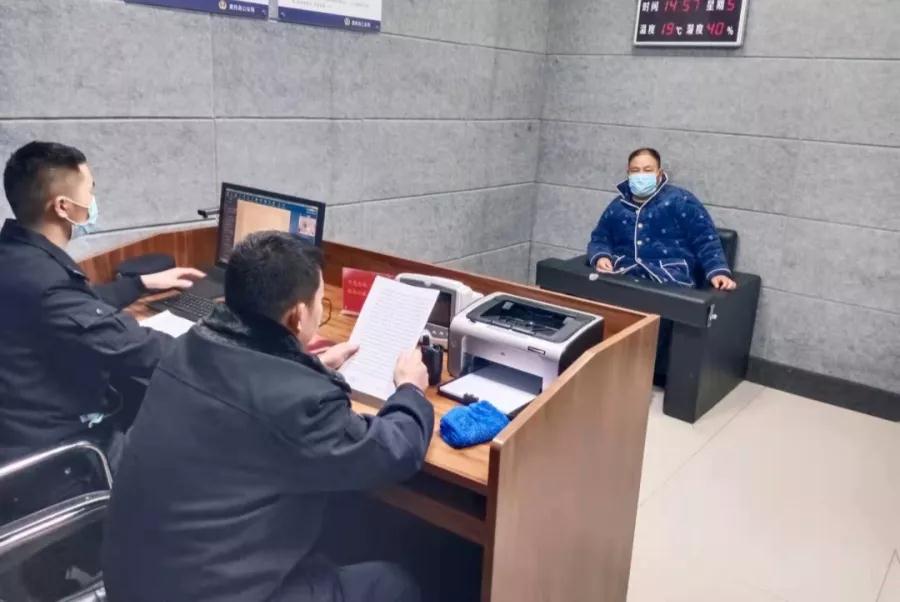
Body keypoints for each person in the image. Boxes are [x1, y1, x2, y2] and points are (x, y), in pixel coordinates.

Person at [103, 231, 433, 602]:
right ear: (297, 316)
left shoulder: (186, 347)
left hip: (134, 581)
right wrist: (410, 389)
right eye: (319, 303)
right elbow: (394, 452)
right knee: (393, 583)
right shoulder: (300, 405)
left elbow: (248, 387)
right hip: (208, 591)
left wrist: (303, 368)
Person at [0, 141, 204, 472]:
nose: (93, 199)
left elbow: (76, 305)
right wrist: (225, 348)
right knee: (193, 449)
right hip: (64, 453)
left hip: (23, 426)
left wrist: (140, 283)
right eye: (90, 190)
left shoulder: (16, 257)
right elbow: (141, 350)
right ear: (63, 206)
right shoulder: (45, 283)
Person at [586, 148, 737, 290]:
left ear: (659, 173)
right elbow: (600, 238)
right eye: (635, 170)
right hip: (623, 277)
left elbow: (705, 239)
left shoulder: (680, 200)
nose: (641, 175)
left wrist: (718, 271)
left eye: (647, 170)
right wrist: (601, 256)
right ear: (628, 174)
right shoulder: (617, 206)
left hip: (669, 281)